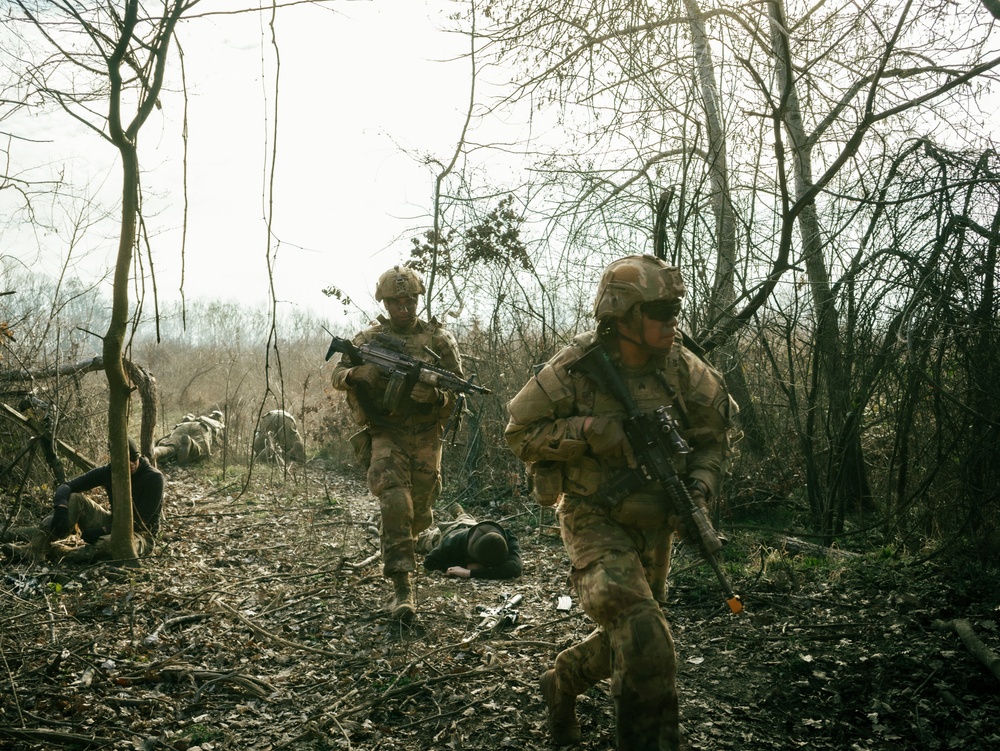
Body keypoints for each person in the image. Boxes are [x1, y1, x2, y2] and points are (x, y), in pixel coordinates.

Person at [504, 255, 739, 751]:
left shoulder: (681, 367)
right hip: (593, 516)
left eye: (675, 308)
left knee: (632, 641)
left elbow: (713, 439)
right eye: (658, 310)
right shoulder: (576, 367)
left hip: (656, 523)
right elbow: (518, 431)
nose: (671, 320)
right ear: (624, 314)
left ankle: (561, 681)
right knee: (646, 636)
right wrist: (585, 431)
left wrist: (698, 490)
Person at [330, 264, 465, 623]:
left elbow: (459, 392)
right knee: (394, 501)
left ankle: (405, 538)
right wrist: (355, 373)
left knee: (418, 511)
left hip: (425, 435)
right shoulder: (368, 339)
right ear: (385, 303)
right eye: (395, 302)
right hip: (386, 432)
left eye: (409, 301)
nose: (403, 308)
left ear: (418, 299)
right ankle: (402, 590)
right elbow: (337, 374)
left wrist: (435, 397)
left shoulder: (439, 340)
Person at [3, 437, 165, 563]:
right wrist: (61, 507)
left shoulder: (154, 478)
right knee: (74, 498)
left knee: (110, 545)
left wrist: (102, 531)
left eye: (133, 458)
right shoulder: (109, 471)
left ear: (139, 456)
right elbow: (67, 486)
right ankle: (36, 548)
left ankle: (59, 551)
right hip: (113, 521)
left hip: (141, 534)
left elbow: (140, 521)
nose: (130, 464)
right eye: (125, 460)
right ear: (115, 460)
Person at [421, 505, 523, 580]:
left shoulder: (507, 536)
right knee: (425, 539)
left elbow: (515, 568)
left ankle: (460, 514)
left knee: (467, 520)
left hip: (472, 526)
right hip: (449, 532)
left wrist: (470, 572)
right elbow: (430, 562)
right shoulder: (452, 543)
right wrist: (464, 566)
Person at [153, 410, 225, 465]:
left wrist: (163, 439)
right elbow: (221, 443)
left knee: (170, 447)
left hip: (183, 425)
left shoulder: (200, 418)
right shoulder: (218, 424)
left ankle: (154, 452)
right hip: (201, 427)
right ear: (220, 419)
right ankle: (190, 443)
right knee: (202, 450)